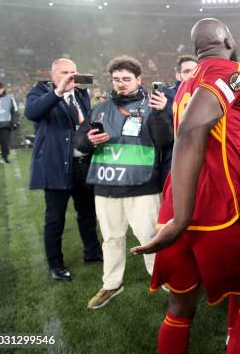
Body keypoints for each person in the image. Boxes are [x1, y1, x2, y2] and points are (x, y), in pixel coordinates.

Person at [131, 18, 240, 354]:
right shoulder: (231, 70)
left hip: (174, 204)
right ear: (227, 39)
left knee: (179, 308)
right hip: (218, 208)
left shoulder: (189, 83)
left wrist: (176, 215)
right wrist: (183, 218)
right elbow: (192, 131)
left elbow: (205, 133)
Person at [72, 56, 173, 309]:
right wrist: (88, 141)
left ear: (139, 80)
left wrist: (161, 114)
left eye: (126, 79)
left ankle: (159, 277)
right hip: (106, 186)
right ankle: (111, 284)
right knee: (111, 239)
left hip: (143, 185)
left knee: (149, 236)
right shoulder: (100, 108)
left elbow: (164, 140)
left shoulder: (152, 106)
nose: (121, 84)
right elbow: (79, 140)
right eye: (117, 79)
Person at [25, 58, 103, 282]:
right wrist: (58, 91)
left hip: (82, 165)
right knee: (55, 218)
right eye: (64, 72)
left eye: (73, 72)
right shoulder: (40, 91)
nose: (69, 76)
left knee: (88, 214)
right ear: (52, 75)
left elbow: (83, 124)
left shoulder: (81, 94)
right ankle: (55, 265)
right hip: (56, 165)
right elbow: (32, 113)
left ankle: (92, 252)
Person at [160, 55, 198, 183]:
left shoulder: (207, 92)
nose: (192, 74)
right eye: (187, 71)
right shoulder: (166, 95)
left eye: (195, 70)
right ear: (178, 76)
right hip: (175, 157)